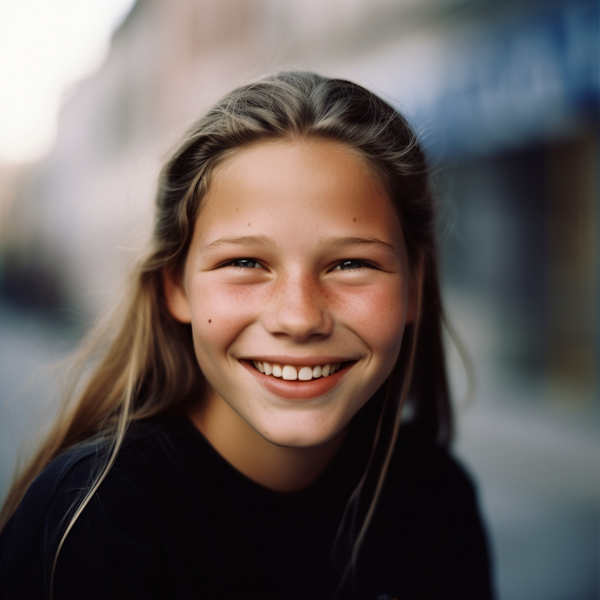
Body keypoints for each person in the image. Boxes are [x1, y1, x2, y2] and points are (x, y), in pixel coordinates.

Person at [0, 71, 494, 600]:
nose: (300, 318)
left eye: (350, 263)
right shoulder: (90, 526)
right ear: (177, 287)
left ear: (414, 287)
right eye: (245, 262)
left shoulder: (435, 502)